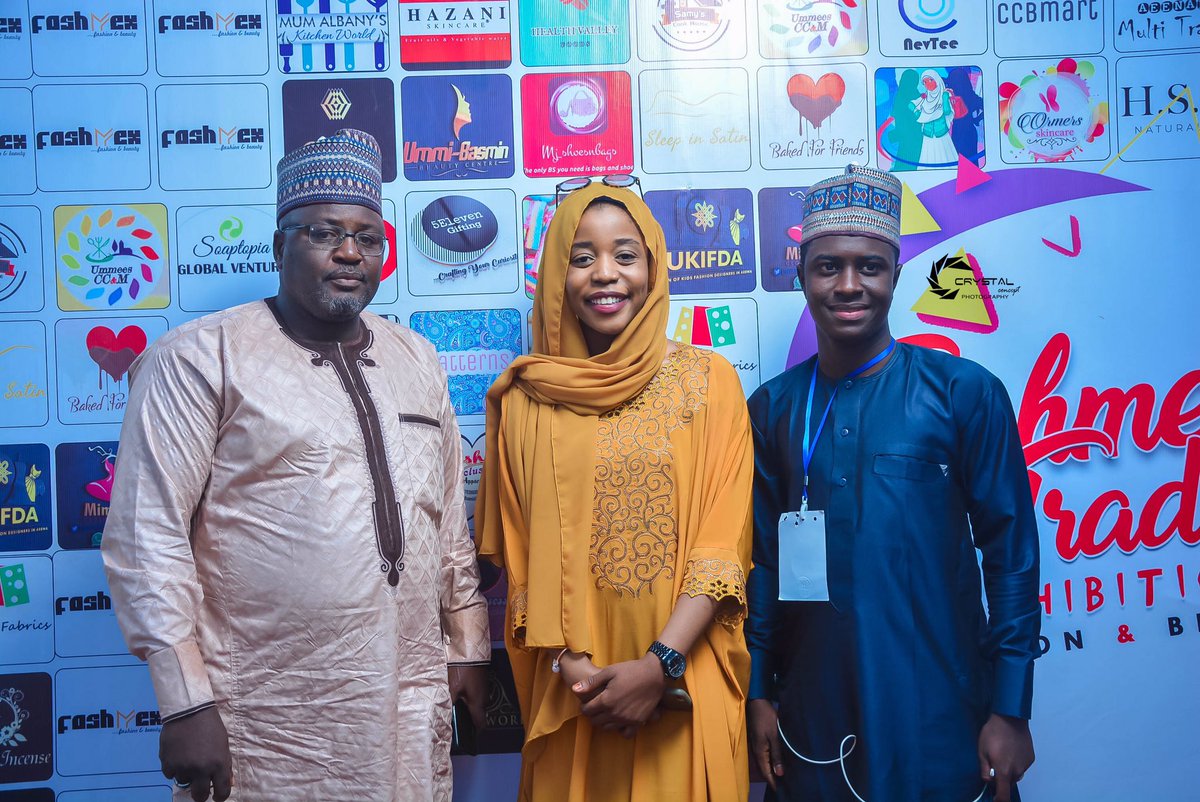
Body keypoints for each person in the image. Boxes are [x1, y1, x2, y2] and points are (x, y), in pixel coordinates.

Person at [102, 129, 491, 802]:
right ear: (280, 245)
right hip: (265, 715)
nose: (349, 252)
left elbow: (446, 518)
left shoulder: (417, 358)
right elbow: (147, 537)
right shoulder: (198, 359)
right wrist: (185, 701)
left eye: (368, 237)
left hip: (407, 694)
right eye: (324, 233)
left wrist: (468, 643)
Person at [745, 165, 1040, 802]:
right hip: (812, 714)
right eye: (828, 267)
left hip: (939, 709)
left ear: (896, 275)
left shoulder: (964, 393)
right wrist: (759, 691)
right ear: (801, 276)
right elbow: (762, 563)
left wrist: (1011, 708)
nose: (849, 285)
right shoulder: (772, 409)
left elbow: (1010, 556)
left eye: (870, 267)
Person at [476, 181, 753, 801]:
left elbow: (722, 543)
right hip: (576, 695)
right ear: (557, 274)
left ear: (653, 268)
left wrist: (659, 665)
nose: (606, 274)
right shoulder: (524, 401)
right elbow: (521, 562)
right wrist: (577, 675)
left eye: (626, 255)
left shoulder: (710, 381)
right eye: (582, 258)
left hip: (685, 682)